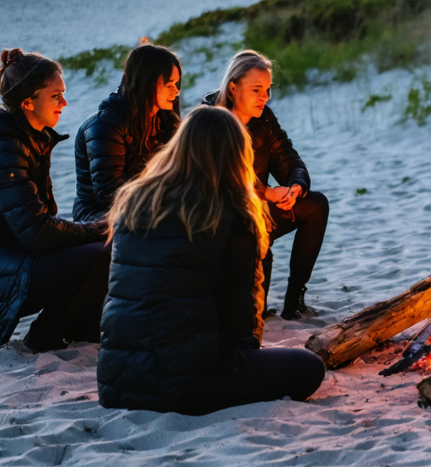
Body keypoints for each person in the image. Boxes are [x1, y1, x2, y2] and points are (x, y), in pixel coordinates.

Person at [97, 105, 326, 414]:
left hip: (116, 384)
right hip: (184, 388)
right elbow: (242, 323)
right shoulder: (232, 212)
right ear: (237, 154)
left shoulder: (134, 202)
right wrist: (249, 366)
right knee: (308, 366)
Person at [0, 48, 110, 352]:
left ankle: (72, 331)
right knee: (101, 251)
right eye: (56, 95)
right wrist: (97, 228)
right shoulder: (4, 150)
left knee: (102, 246)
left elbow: (36, 226)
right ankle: (47, 336)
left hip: (5, 259)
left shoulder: (28, 140)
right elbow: (36, 232)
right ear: (27, 102)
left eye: (63, 94)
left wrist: (93, 230)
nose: (64, 102)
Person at [204, 50, 328, 320]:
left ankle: (294, 301)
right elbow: (229, 174)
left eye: (268, 89)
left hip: (260, 211)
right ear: (233, 87)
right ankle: (254, 309)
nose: (265, 97)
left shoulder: (263, 118)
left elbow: (287, 156)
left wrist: (295, 186)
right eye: (257, 89)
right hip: (221, 221)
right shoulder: (210, 119)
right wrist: (267, 193)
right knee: (253, 311)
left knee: (316, 206)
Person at [72, 43, 182, 222]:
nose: (176, 92)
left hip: (146, 204)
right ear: (147, 83)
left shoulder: (166, 122)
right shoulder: (105, 127)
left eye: (177, 84)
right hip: (98, 214)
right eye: (169, 85)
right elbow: (110, 194)